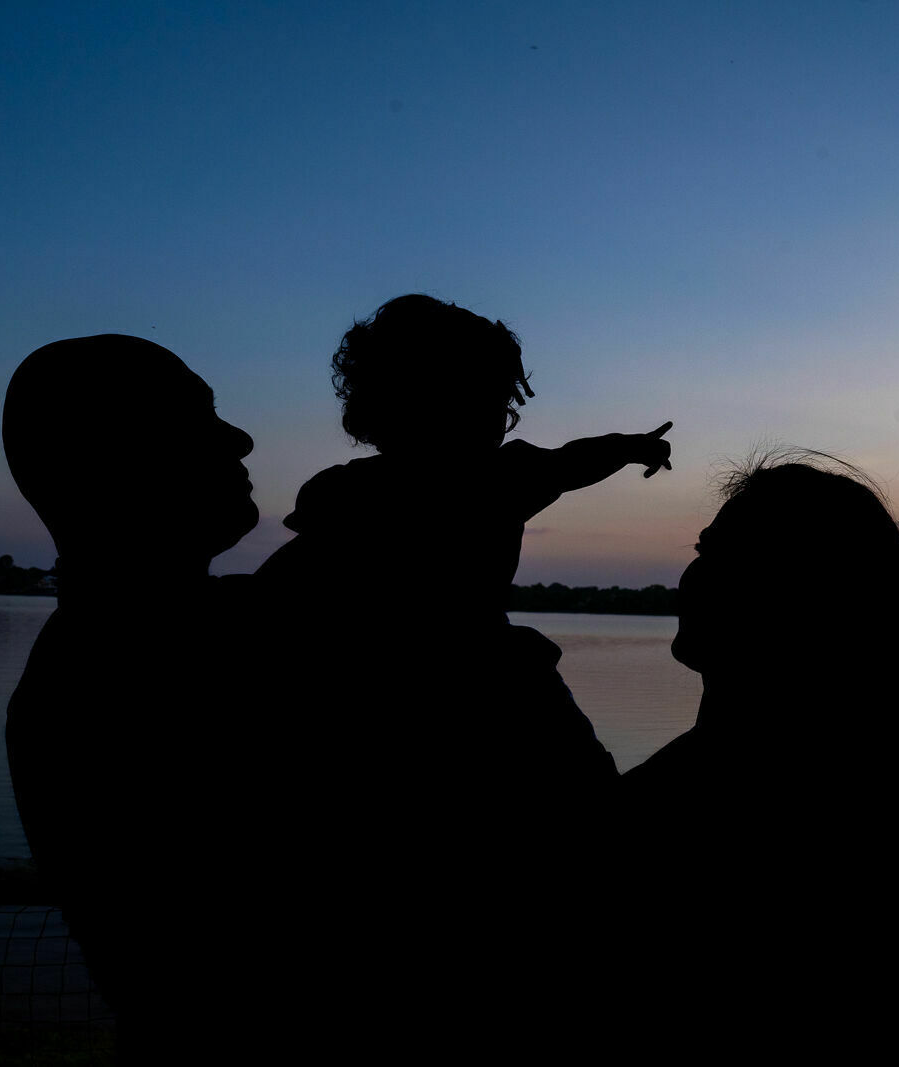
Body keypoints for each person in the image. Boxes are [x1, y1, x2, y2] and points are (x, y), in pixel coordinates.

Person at [253, 294, 664, 1044]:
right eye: (482, 396)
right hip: (459, 701)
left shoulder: (359, 492)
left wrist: (634, 445)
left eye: (496, 400)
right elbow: (574, 460)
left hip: (430, 707)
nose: (492, 415)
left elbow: (575, 459)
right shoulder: (456, 485)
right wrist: (633, 446)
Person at [618, 452, 899, 1058]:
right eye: (701, 550)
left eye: (721, 558)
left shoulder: (696, 807)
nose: (694, 576)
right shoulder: (868, 795)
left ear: (795, 598)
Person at [2, 334, 260, 1061]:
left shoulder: (119, 652)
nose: (240, 437)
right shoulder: (118, 679)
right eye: (199, 417)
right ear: (119, 459)